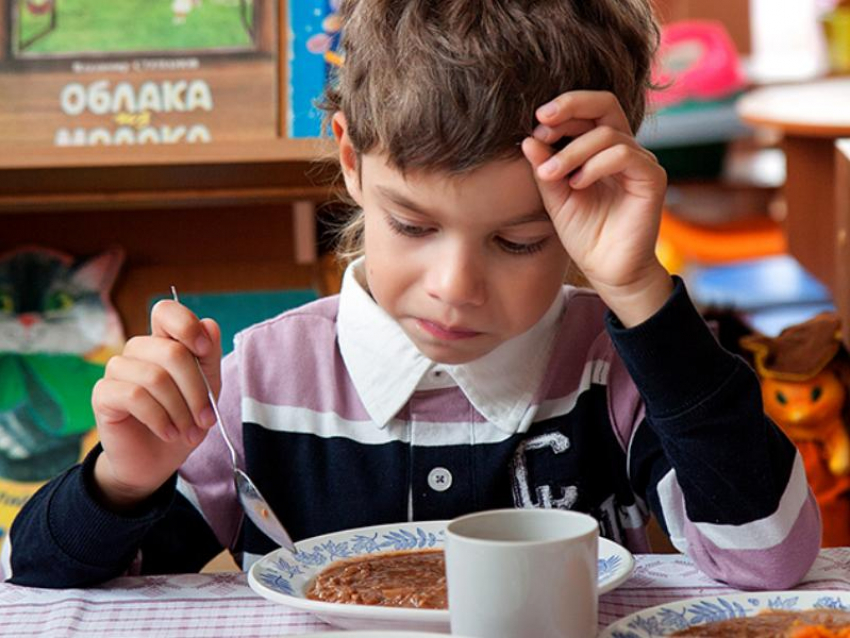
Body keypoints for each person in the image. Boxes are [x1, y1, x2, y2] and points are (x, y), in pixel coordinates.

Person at [2, 0, 819, 589]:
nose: (455, 290)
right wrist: (123, 478)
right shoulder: (262, 380)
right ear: (352, 162)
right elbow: (40, 574)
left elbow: (768, 556)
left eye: (519, 240)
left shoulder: (622, 365)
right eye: (413, 225)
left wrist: (640, 289)